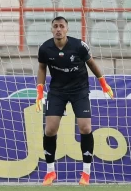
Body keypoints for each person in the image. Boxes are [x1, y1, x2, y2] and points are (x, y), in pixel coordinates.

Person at [35, 16, 114, 186]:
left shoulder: (79, 46)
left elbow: (91, 63)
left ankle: (86, 173)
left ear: (67, 29)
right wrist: (40, 91)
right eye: (55, 26)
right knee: (49, 129)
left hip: (79, 90)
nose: (58, 29)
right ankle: (50, 173)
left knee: (85, 127)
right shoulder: (45, 48)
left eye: (61, 26)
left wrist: (103, 82)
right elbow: (42, 68)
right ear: (51, 29)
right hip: (57, 91)